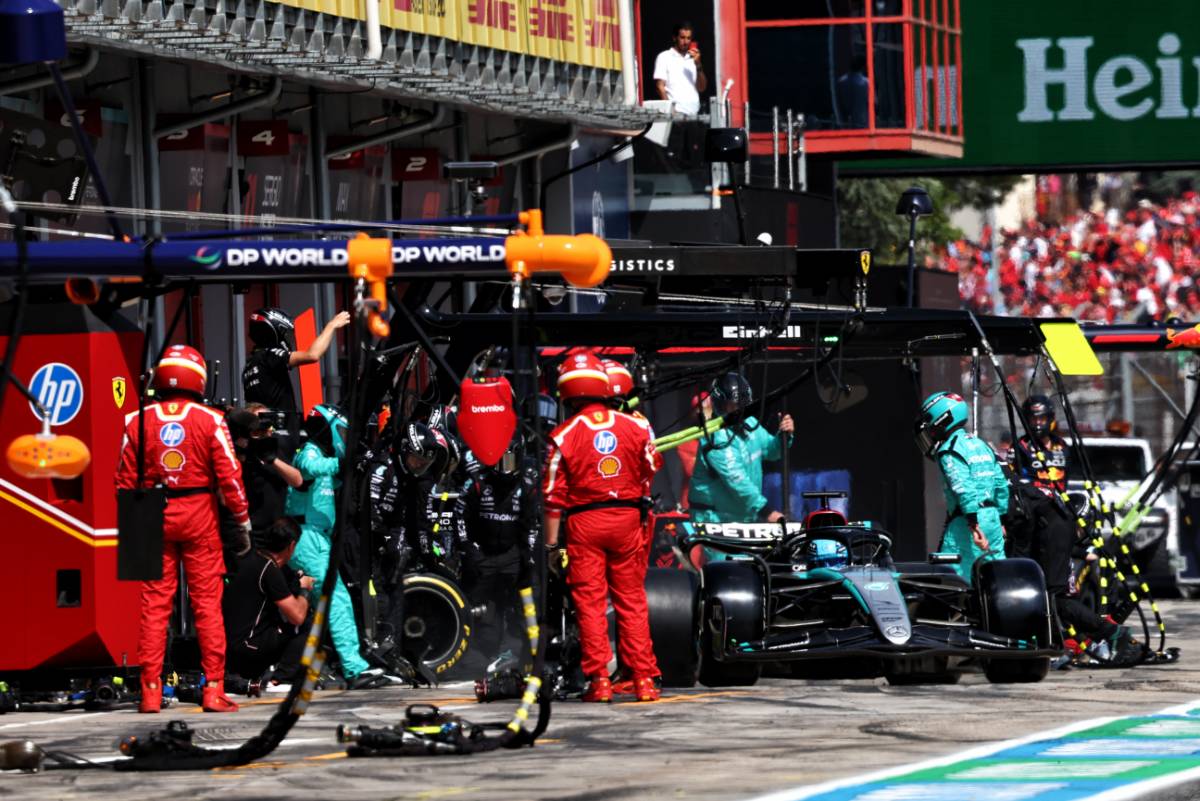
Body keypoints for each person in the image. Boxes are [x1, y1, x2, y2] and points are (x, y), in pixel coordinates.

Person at [116, 344, 248, 713]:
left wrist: (133, 530)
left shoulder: (135, 420)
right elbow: (230, 476)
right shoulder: (211, 420)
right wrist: (242, 519)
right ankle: (213, 689)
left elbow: (123, 480)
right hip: (199, 514)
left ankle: (150, 692)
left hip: (151, 514)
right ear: (198, 378)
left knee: (154, 605)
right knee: (207, 605)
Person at [543, 351, 661, 703]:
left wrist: (552, 546)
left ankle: (599, 681)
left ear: (568, 393)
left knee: (590, 602)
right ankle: (643, 680)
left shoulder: (563, 434)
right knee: (632, 600)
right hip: (628, 519)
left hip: (585, 524)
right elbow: (652, 465)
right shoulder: (636, 425)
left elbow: (552, 496)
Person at [1008, 395, 1134, 661]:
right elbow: (1015, 485)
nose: (1038, 424)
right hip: (1034, 523)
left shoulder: (1062, 447)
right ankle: (1082, 639)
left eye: (1042, 418)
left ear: (1051, 419)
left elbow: (1068, 490)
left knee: (1071, 587)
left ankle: (1100, 634)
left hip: (1059, 520)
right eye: (1033, 418)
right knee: (1050, 593)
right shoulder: (1020, 447)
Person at [286, 404, 393, 687]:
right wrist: (345, 462)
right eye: (342, 432)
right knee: (336, 597)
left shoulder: (324, 458)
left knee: (323, 603)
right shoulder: (309, 452)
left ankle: (317, 663)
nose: (344, 439)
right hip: (307, 537)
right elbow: (310, 468)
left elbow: (335, 477)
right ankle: (354, 668)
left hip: (318, 537)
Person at [366, 421, 452, 680]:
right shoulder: (383, 469)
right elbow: (368, 509)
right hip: (367, 537)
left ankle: (390, 646)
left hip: (390, 535)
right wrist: (381, 538)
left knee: (396, 584)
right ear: (405, 451)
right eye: (416, 460)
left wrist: (402, 545)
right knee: (377, 592)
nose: (419, 466)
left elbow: (409, 520)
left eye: (424, 463)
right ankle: (374, 648)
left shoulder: (413, 479)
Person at [456, 432, 535, 668]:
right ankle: (480, 656)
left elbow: (532, 525)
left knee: (522, 607)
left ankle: (522, 655)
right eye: (499, 461)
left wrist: (528, 557)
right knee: (480, 610)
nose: (504, 468)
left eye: (508, 461)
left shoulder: (526, 488)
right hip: (483, 555)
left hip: (512, 556)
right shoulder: (477, 483)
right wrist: (468, 550)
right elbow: (460, 516)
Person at [915, 391, 1008, 581]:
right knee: (998, 578)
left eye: (930, 422)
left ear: (942, 419)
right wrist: (1001, 519)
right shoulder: (981, 444)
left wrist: (974, 524)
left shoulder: (948, 450)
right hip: (993, 520)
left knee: (950, 580)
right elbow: (1001, 484)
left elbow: (963, 489)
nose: (929, 430)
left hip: (967, 523)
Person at [687, 372, 795, 525]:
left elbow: (772, 451)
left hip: (741, 517)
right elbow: (736, 479)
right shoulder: (715, 436)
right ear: (720, 404)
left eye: (742, 404)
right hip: (714, 519)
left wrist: (784, 436)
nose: (738, 410)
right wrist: (766, 511)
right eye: (732, 405)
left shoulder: (750, 423)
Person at [223, 517, 313, 689]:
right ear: (291, 546)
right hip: (247, 649)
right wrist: (304, 590)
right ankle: (280, 679)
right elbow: (297, 616)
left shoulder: (251, 558)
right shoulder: (269, 570)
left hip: (227, 648)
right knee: (307, 624)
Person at [242, 307, 350, 413]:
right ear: (276, 331)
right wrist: (332, 325)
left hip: (265, 423)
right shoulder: (269, 355)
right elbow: (312, 355)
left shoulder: (250, 365)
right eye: (286, 334)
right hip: (280, 424)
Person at [225, 403, 303, 533]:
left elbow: (297, 481)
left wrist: (272, 459)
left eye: (266, 419)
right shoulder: (239, 449)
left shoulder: (276, 446)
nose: (262, 425)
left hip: (275, 529)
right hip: (249, 528)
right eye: (257, 421)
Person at [653, 21, 706, 115]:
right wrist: (670, 111)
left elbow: (702, 88)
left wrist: (698, 64)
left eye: (688, 38)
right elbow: (659, 86)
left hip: (695, 113)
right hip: (676, 114)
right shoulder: (664, 57)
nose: (685, 42)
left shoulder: (693, 59)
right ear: (674, 38)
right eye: (682, 37)